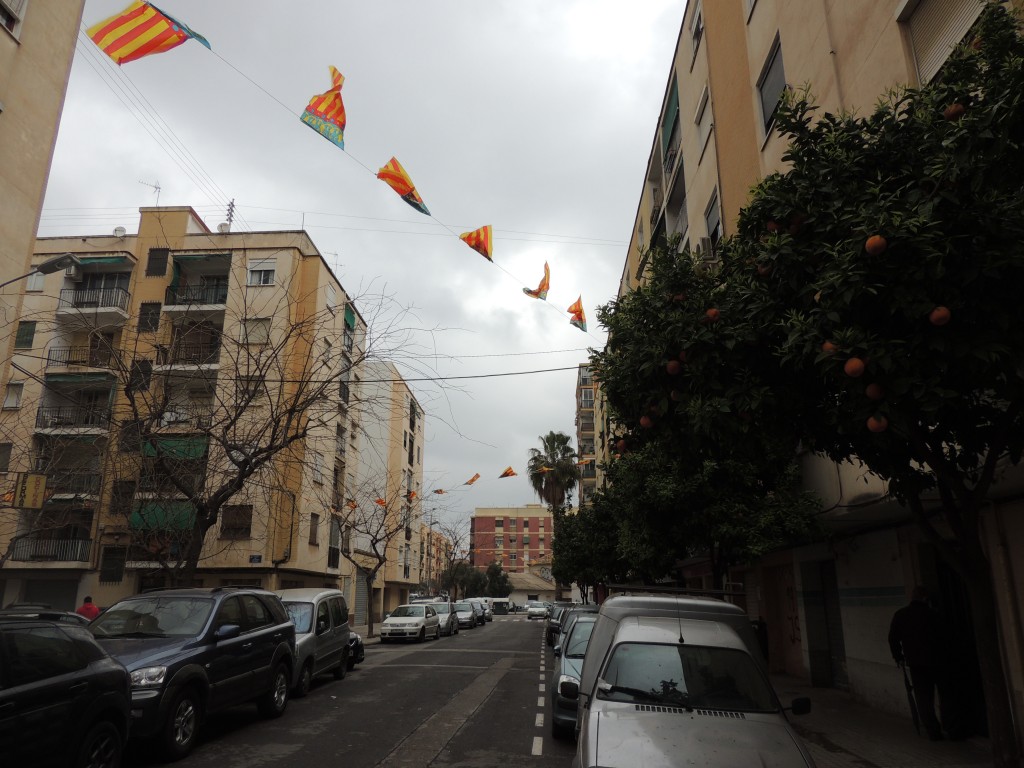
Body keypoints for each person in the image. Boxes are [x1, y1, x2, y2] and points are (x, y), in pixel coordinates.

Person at [888, 586, 954, 740]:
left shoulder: (901, 615)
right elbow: (946, 638)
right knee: (946, 695)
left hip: (916, 663)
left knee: (924, 699)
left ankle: (933, 732)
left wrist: (898, 657)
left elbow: (893, 638)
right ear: (925, 598)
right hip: (939, 661)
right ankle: (951, 728)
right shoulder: (933, 615)